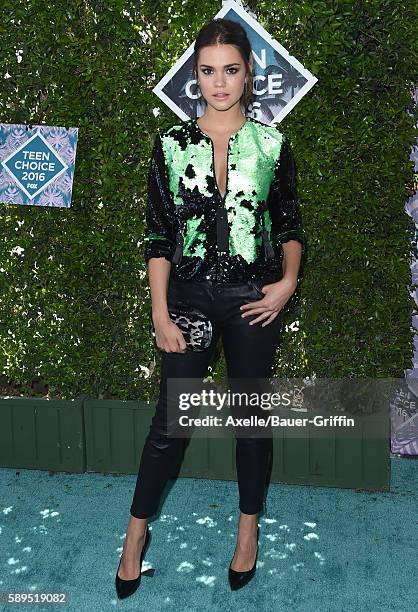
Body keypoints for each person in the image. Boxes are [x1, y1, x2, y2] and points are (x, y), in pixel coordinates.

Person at [115, 17, 306, 598]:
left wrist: (287, 282)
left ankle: (247, 534)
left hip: (253, 301)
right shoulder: (171, 145)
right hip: (190, 300)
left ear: (249, 75)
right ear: (194, 76)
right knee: (170, 424)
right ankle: (132, 540)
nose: (218, 83)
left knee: (250, 421)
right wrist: (159, 313)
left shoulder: (271, 144)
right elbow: (158, 237)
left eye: (230, 70)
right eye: (206, 71)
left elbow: (290, 223)